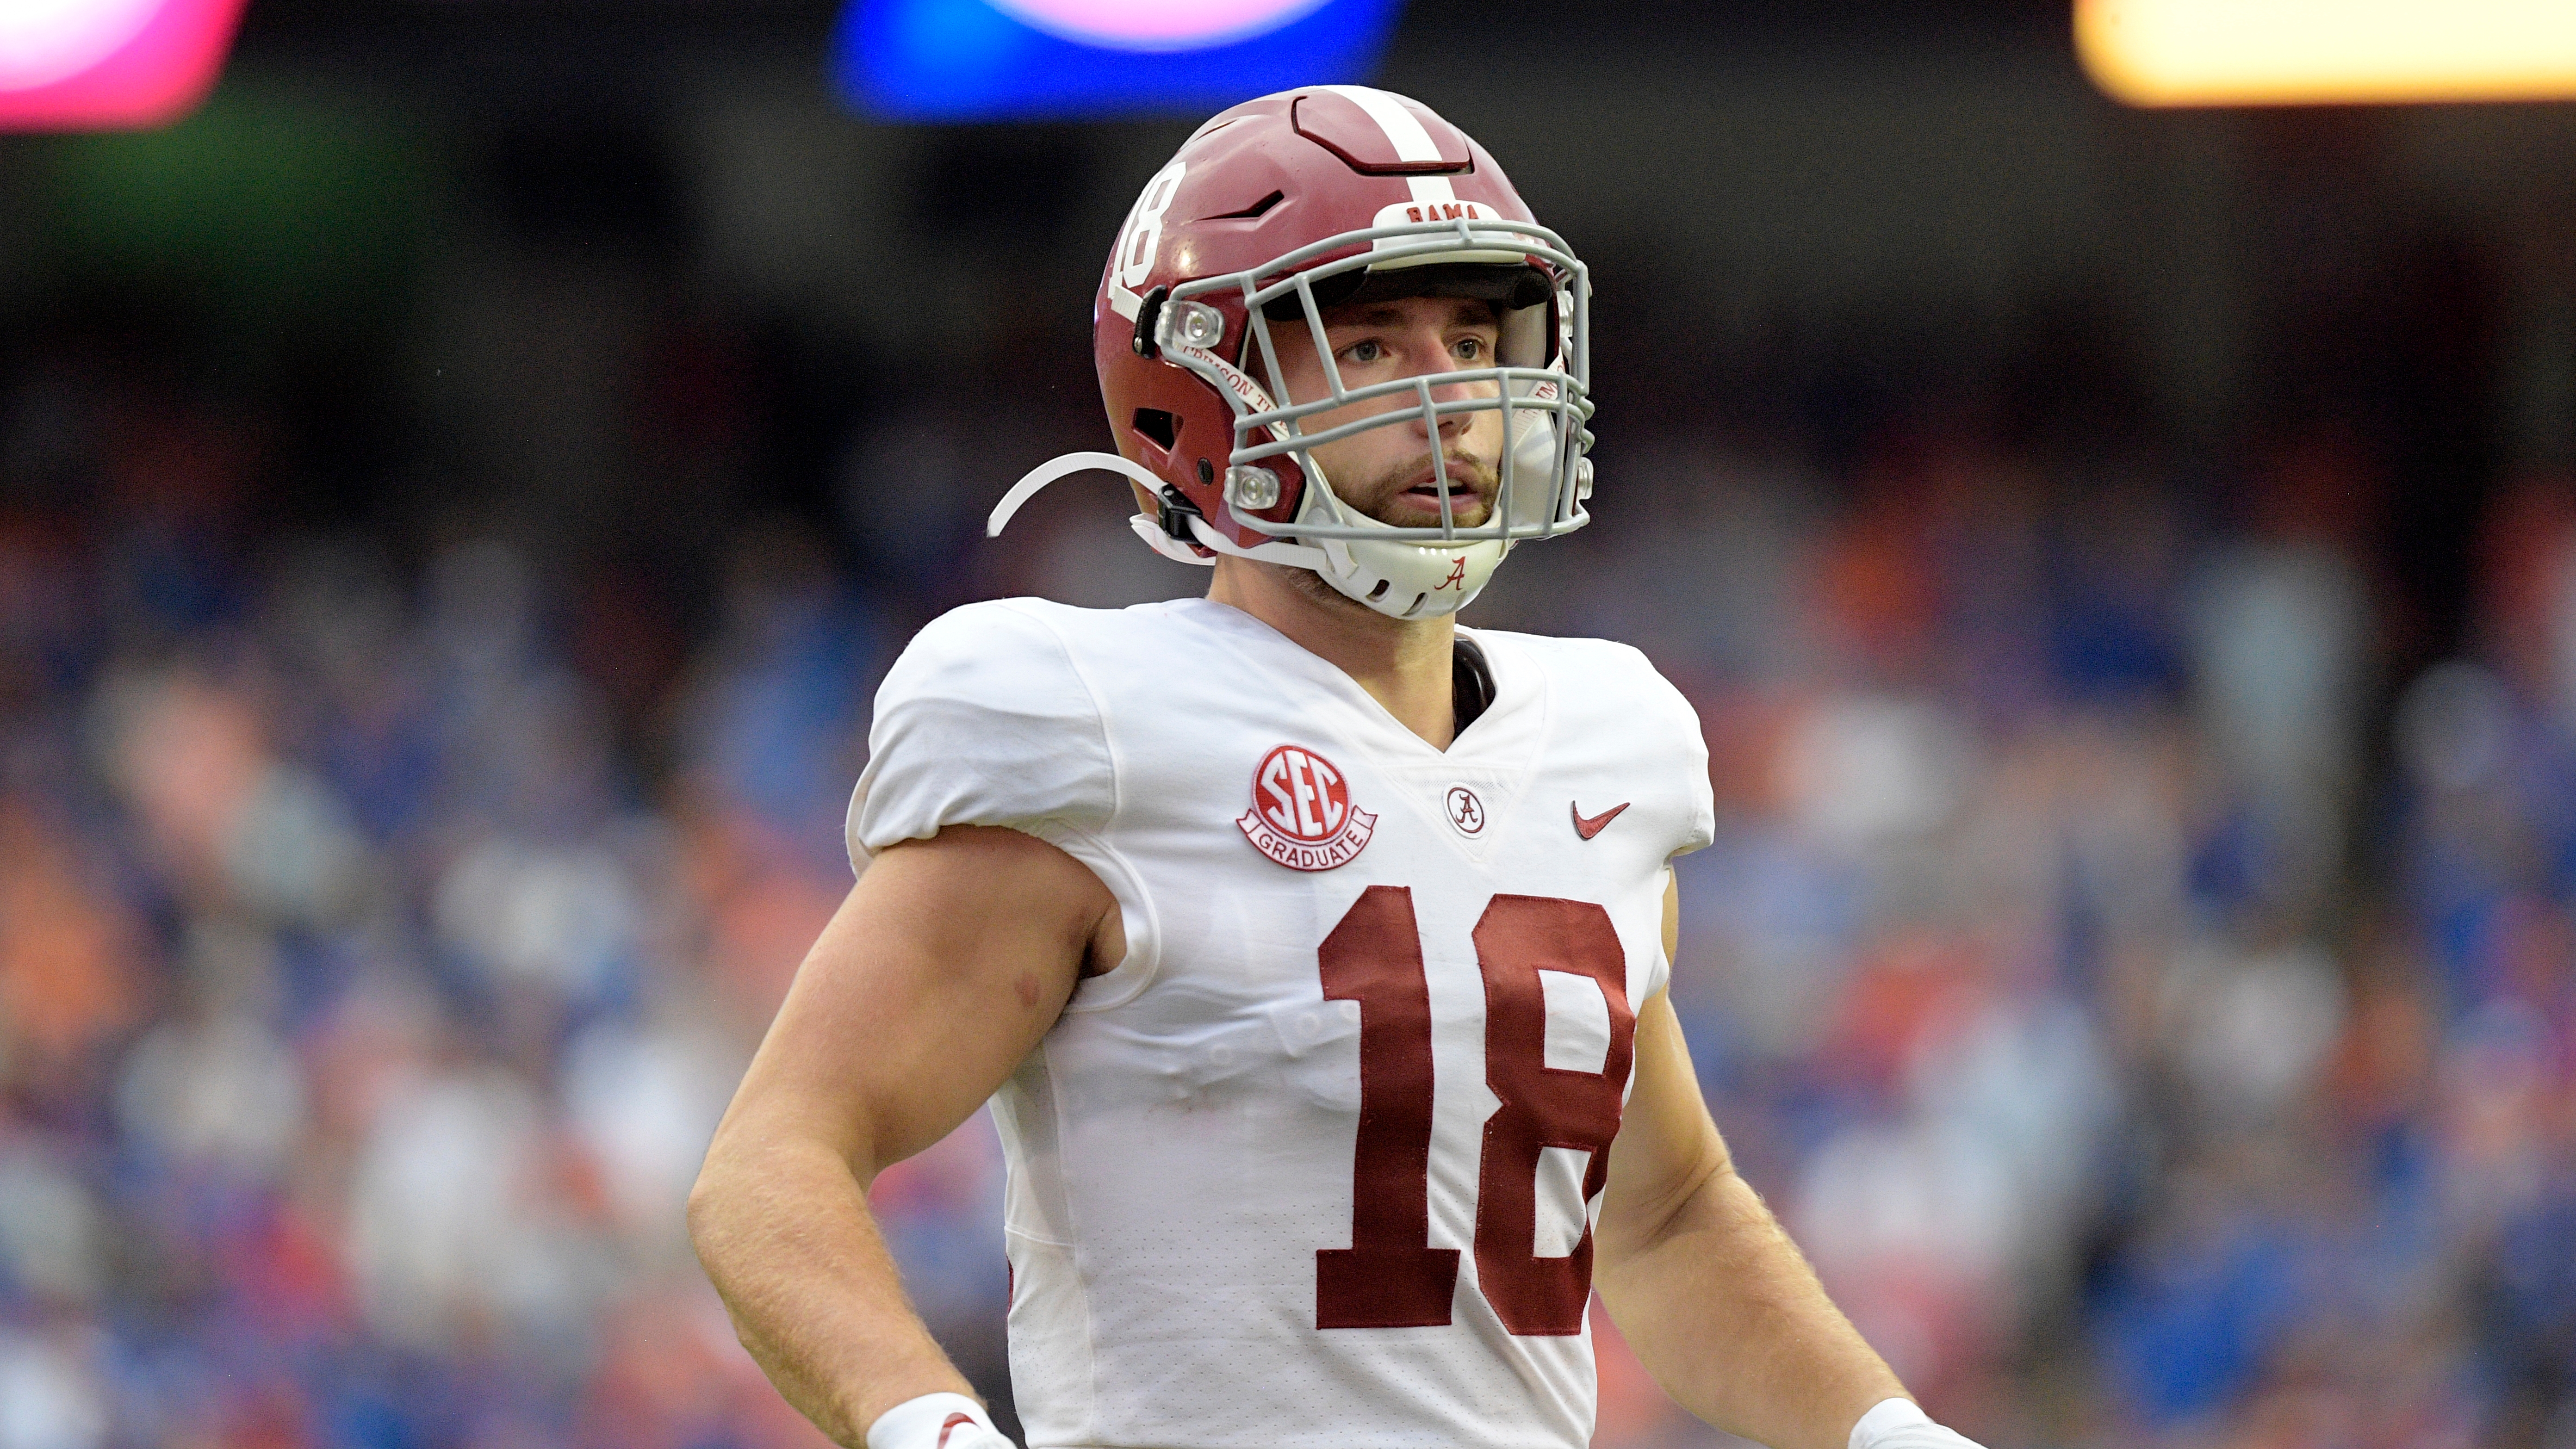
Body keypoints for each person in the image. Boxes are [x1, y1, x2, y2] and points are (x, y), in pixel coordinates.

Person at [688, 86, 1985, 1449]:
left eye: (1476, 337)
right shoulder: (1093, 723)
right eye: (1368, 346)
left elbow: (1659, 1213)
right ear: (1200, 391)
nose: (1453, 398)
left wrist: (1889, 1431)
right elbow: (774, 1164)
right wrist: (926, 1427)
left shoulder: (1610, 736)